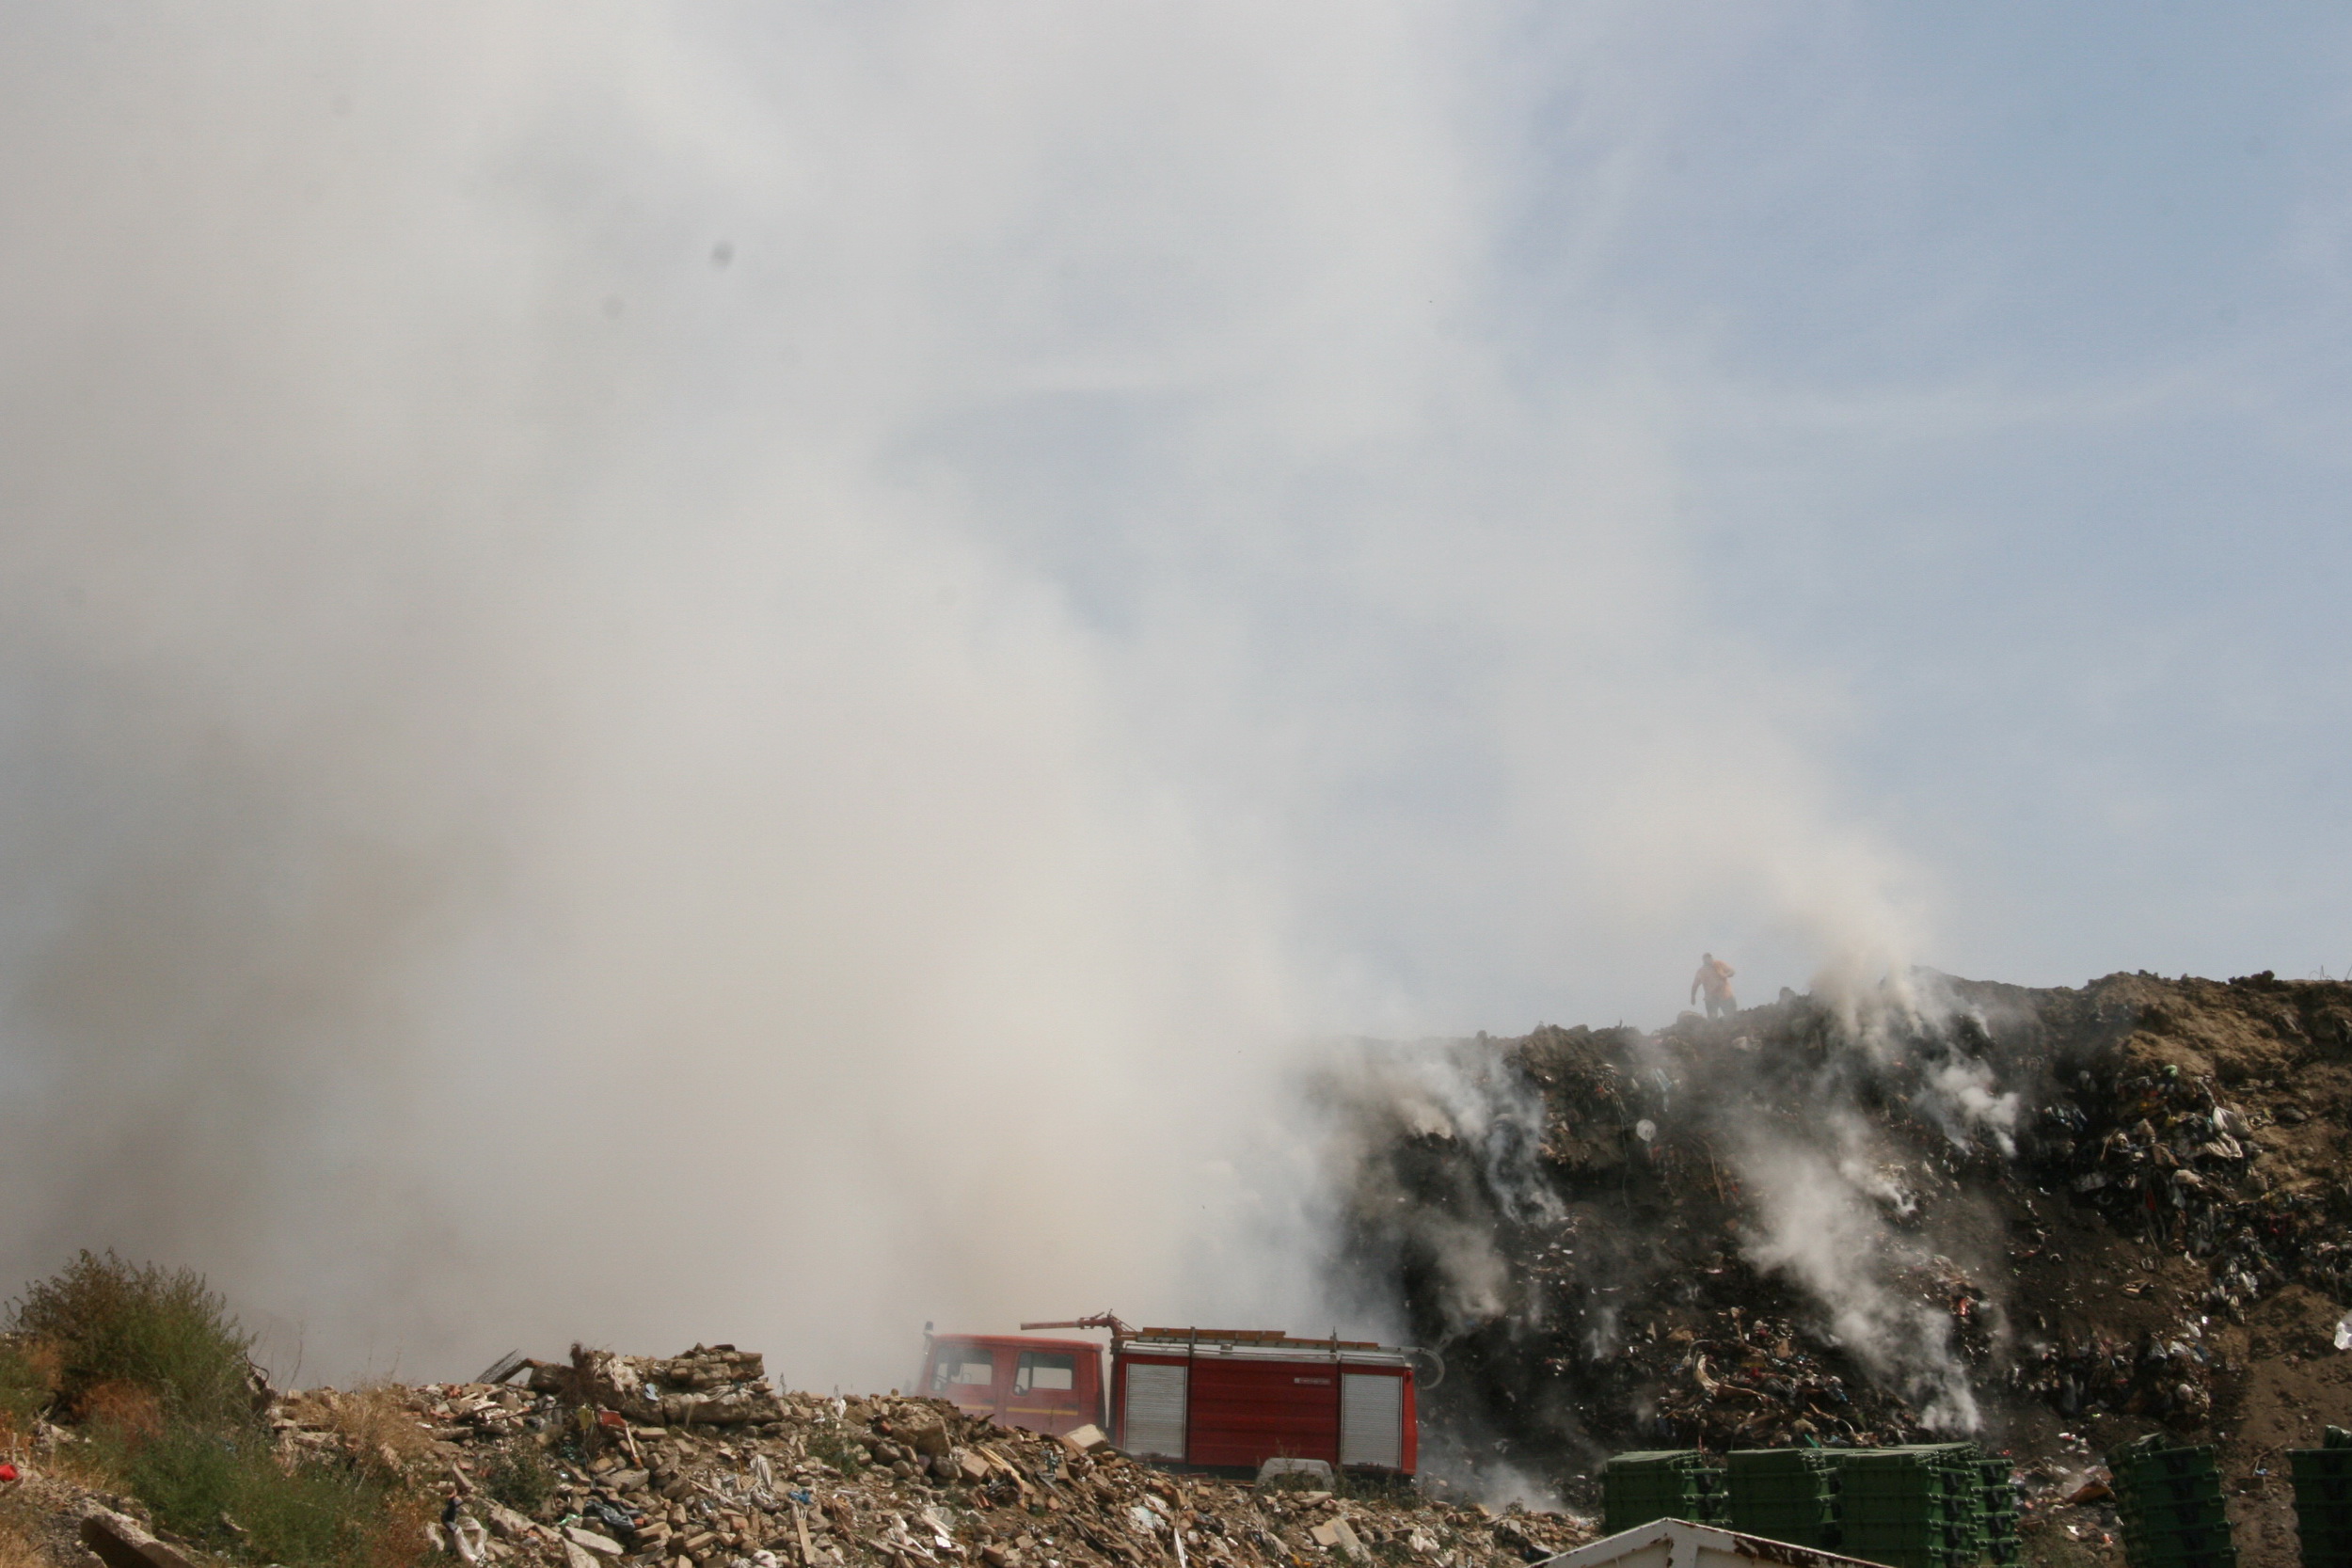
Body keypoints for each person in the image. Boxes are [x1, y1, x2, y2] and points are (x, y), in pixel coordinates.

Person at [1691, 953, 1736, 1019]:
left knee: (1732, 1016)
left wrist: (1726, 975)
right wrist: (1693, 997)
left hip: (1725, 996)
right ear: (1704, 961)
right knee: (1712, 1020)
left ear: (1712, 958)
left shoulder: (1720, 964)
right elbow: (1695, 985)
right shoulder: (1701, 971)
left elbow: (1732, 971)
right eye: (1706, 959)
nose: (1709, 960)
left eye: (1710, 958)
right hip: (1711, 998)